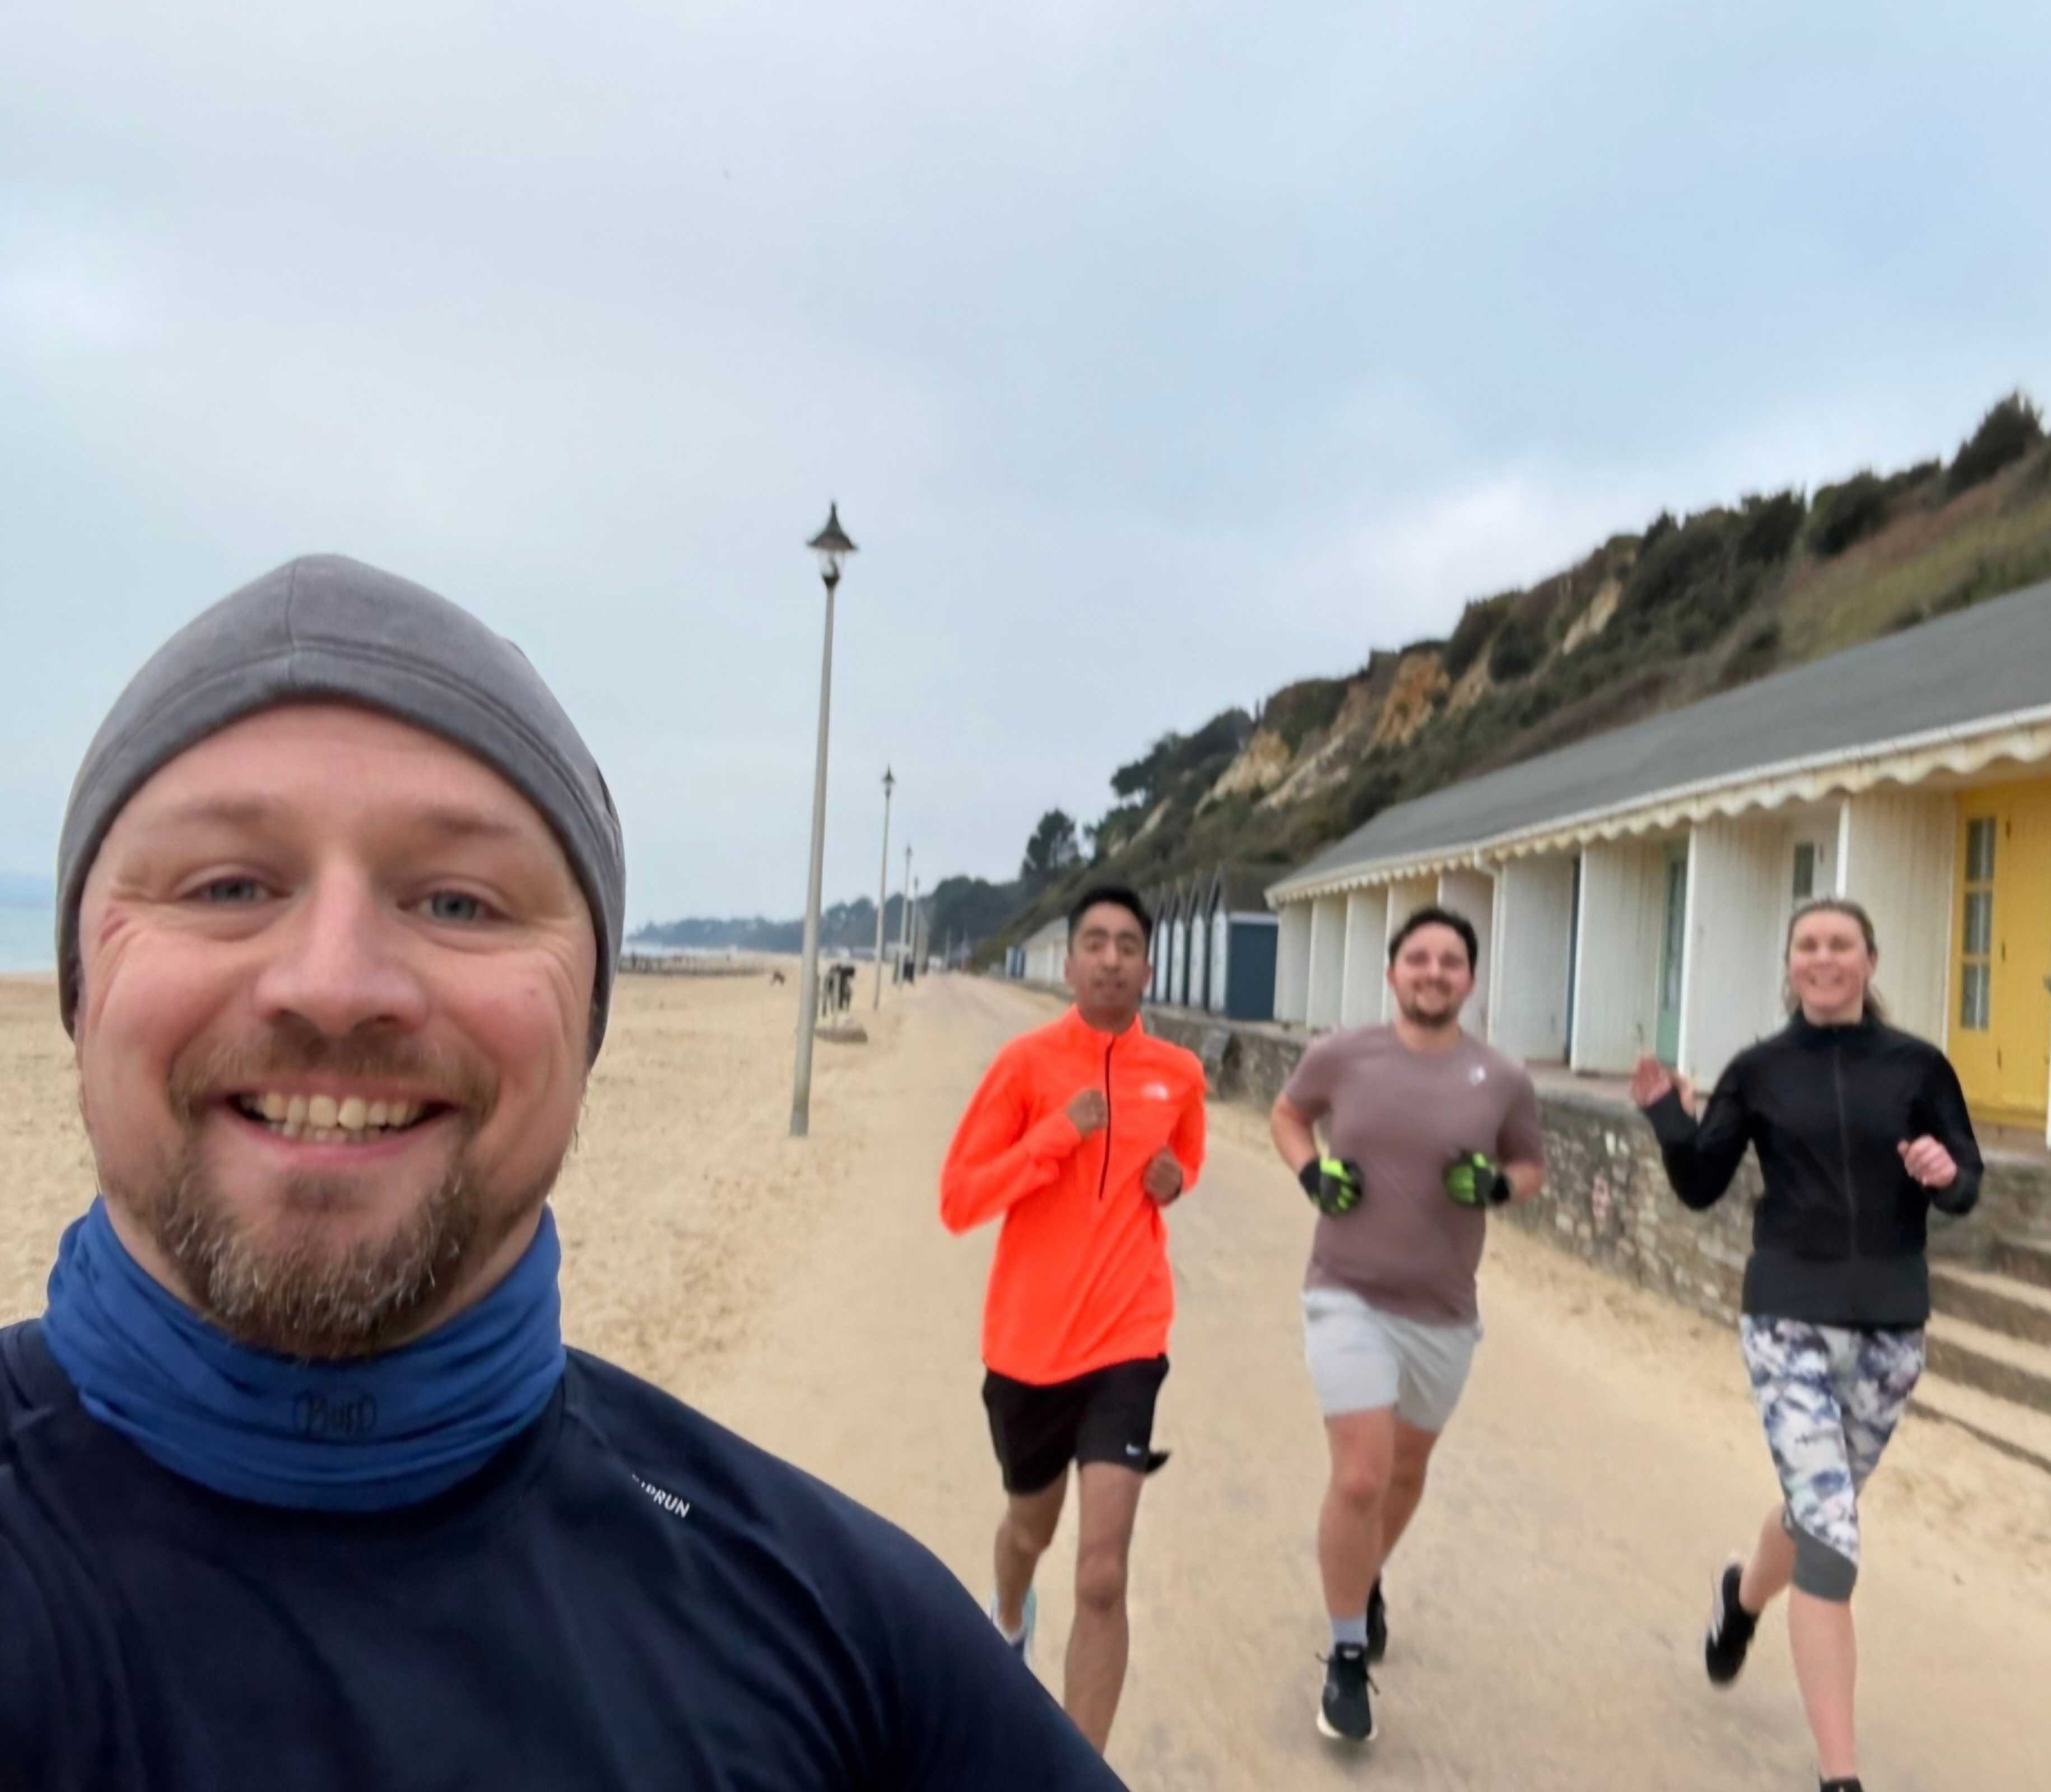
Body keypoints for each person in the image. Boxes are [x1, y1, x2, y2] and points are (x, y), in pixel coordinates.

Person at [0, 556, 1122, 1791]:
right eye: (225, 885)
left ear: (588, 1016)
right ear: (80, 986)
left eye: (460, 901)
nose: (332, 982)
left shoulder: (843, 1633)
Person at [1629, 897, 1982, 1792]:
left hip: (1893, 1330)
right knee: (1832, 1538)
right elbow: (1704, 1184)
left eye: (1841, 945)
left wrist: (1946, 1176)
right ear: (1789, 966)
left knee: (1814, 1513)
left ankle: (1740, 1598)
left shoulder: (1919, 1066)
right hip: (1787, 1315)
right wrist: (1672, 1117)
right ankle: (1840, 1778)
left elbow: (1966, 1179)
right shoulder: (1759, 1070)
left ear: (1870, 959)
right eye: (1807, 946)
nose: (1824, 959)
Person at [1266, 905, 1546, 1746]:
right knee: (1361, 1475)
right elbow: (1288, 1115)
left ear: (1470, 978)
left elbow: (1529, 1163)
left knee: (1406, 1472)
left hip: (1444, 1312)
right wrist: (1313, 1175)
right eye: (1418, 958)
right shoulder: (1343, 1054)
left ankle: (1366, 1575)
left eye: (1451, 961)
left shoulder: (1500, 1078)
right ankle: (1347, 1658)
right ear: (1392, 974)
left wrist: (1499, 1188)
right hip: (1345, 1290)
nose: (1434, 972)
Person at [938, 885, 1207, 1754]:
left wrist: (1175, 1181)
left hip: (1129, 1338)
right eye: (1094, 942)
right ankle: (1010, 1609)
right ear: (1068, 961)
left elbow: (1183, 1161)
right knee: (1030, 1530)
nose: (1111, 958)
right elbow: (959, 1200)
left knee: (1102, 1573)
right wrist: (1057, 1133)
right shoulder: (1024, 1066)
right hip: (1027, 1348)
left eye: (1128, 944)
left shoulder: (1180, 1075)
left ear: (1148, 967)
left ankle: (1077, 1770)